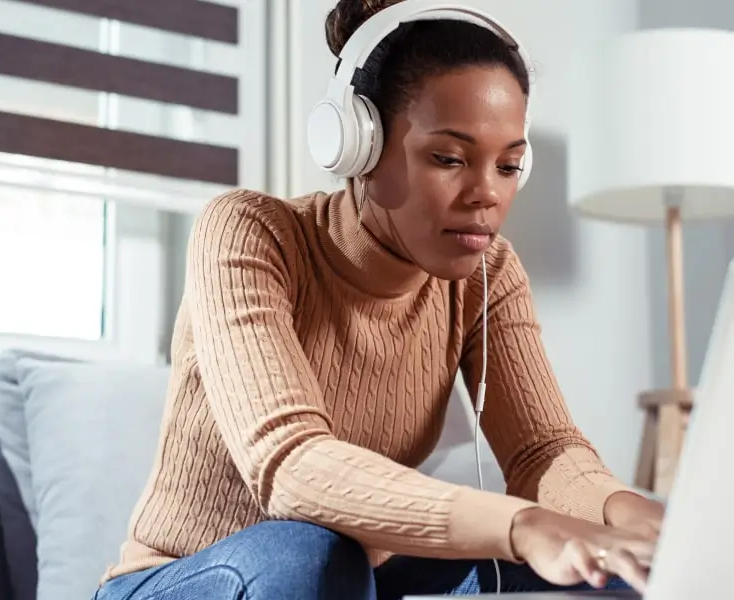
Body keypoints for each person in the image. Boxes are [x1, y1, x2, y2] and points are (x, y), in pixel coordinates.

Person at [93, 1, 666, 598]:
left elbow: (542, 452)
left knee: (605, 572)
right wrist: (520, 525)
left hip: (352, 579)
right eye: (449, 158)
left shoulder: (487, 274)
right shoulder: (250, 233)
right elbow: (291, 466)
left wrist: (632, 516)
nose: (486, 194)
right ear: (358, 148)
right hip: (184, 580)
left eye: (509, 165)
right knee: (309, 552)